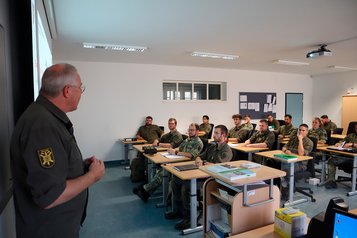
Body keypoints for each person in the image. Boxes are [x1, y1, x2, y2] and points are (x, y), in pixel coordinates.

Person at [10, 63, 105, 238]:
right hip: (49, 230)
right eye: (80, 87)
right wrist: (92, 176)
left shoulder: (46, 117)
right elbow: (50, 196)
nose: (81, 93)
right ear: (67, 91)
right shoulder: (42, 125)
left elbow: (51, 168)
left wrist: (79, 167)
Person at [169, 125, 233, 230]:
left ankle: (190, 218)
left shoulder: (226, 150)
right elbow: (200, 155)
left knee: (187, 186)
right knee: (175, 180)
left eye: (217, 133)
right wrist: (199, 159)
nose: (214, 135)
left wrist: (204, 162)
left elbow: (218, 166)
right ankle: (179, 210)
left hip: (212, 180)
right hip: (201, 174)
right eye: (214, 132)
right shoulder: (212, 146)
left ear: (223, 135)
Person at [133, 118, 183, 201]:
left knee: (162, 171)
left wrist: (159, 143)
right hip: (167, 155)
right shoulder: (169, 134)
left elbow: (171, 145)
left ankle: (145, 189)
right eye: (169, 123)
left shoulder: (177, 135)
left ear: (175, 125)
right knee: (148, 160)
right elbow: (161, 138)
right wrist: (157, 140)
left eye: (172, 124)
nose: (170, 125)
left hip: (174, 158)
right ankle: (146, 189)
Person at [280, 124, 313, 199]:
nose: (301, 132)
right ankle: (284, 186)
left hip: (300, 164)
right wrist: (286, 150)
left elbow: (301, 153)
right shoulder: (294, 138)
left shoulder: (309, 142)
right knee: (276, 165)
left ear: (307, 132)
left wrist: (300, 140)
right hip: (288, 160)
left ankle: (287, 188)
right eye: (300, 130)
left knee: (285, 169)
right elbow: (284, 147)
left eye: (303, 130)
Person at [325, 123, 357, 189]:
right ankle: (331, 181)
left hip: (355, 158)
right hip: (347, 156)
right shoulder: (351, 135)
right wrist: (339, 143)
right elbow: (342, 141)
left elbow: (351, 144)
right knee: (331, 160)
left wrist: (352, 144)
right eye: (356, 128)